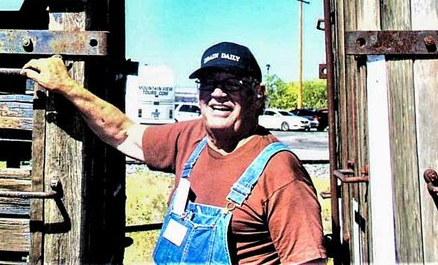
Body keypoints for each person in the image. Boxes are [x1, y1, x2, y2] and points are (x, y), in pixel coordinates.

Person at [23, 42, 326, 265]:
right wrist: (67, 87)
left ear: (258, 94)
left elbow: (306, 261)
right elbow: (122, 131)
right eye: (208, 84)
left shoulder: (280, 171)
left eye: (232, 84)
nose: (217, 94)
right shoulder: (190, 136)